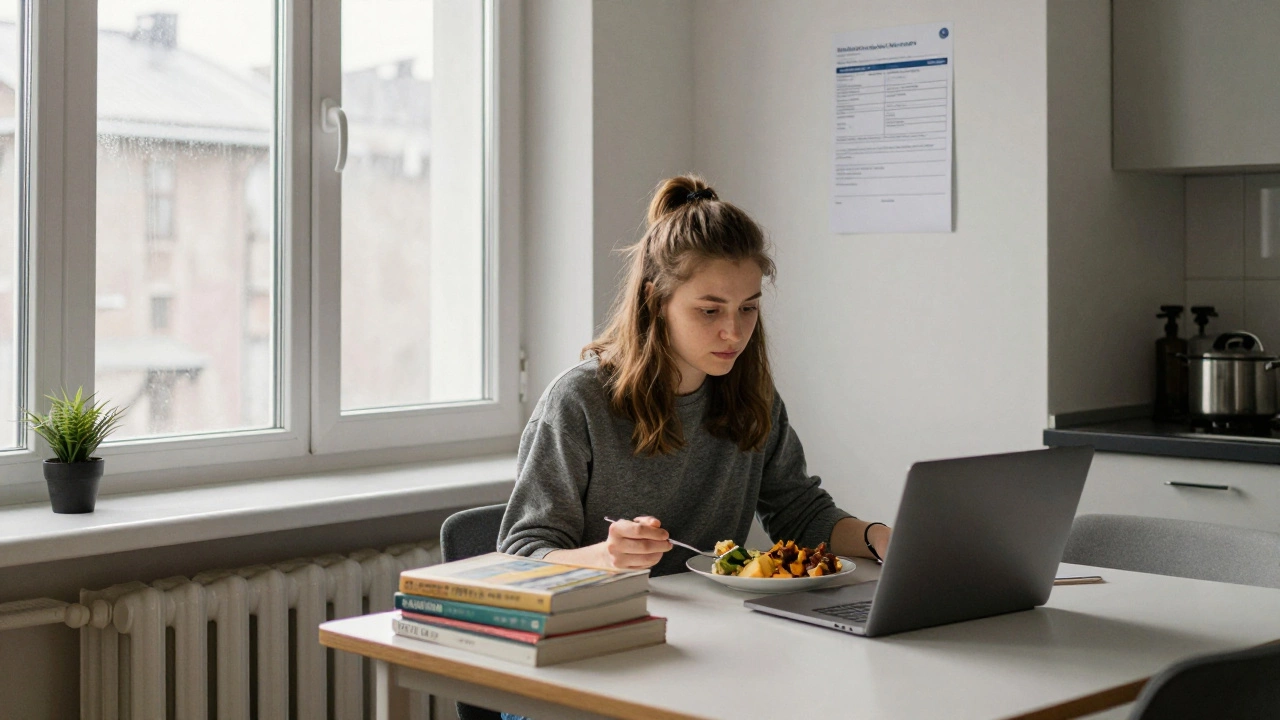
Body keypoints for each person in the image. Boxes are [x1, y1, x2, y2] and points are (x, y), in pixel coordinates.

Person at [497, 174, 891, 577]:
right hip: (606, 621)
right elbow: (521, 552)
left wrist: (880, 537)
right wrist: (605, 557)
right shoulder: (579, 400)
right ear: (655, 300)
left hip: (712, 621)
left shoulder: (753, 396)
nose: (734, 332)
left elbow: (800, 512)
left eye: (748, 308)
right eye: (709, 310)